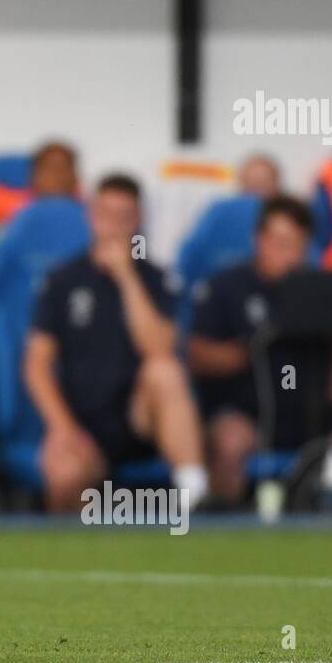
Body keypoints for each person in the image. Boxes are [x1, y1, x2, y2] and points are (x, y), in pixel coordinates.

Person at [189, 195, 332, 506]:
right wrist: (246, 353)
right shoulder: (226, 287)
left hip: (319, 415)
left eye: (295, 244)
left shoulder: (326, 287)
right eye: (278, 242)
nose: (286, 253)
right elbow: (196, 353)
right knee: (228, 444)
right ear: (258, 240)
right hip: (249, 414)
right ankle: (224, 536)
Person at [23, 174, 209, 511]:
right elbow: (36, 364)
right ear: (91, 215)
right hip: (83, 421)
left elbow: (159, 349)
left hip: (141, 418)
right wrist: (63, 428)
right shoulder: (63, 280)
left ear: (137, 220)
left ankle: (193, 491)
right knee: (64, 476)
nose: (113, 225)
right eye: (106, 214)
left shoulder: (157, 278)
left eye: (123, 216)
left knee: (165, 371)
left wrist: (126, 277)